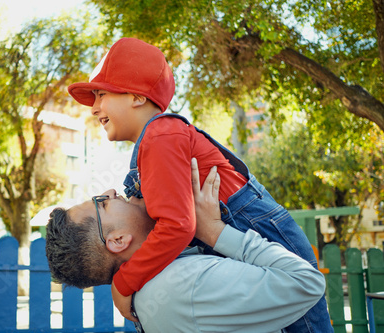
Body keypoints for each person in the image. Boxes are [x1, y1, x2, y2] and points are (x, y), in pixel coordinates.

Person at [67, 37, 332, 332]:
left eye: (101, 94)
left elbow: (177, 226)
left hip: (261, 236)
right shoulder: (152, 145)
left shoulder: (160, 137)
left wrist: (124, 283)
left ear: (137, 96)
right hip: (240, 237)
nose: (94, 107)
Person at [45, 159, 327, 333]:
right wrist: (216, 231)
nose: (111, 192)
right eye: (102, 203)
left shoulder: (153, 286)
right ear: (118, 240)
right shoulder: (183, 284)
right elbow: (307, 283)